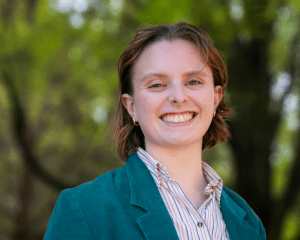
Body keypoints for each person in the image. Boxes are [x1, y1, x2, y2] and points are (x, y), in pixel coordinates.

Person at [44, 22, 266, 240]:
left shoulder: (247, 221)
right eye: (157, 85)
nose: (178, 97)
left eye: (194, 81)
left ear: (216, 98)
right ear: (132, 107)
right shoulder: (84, 208)